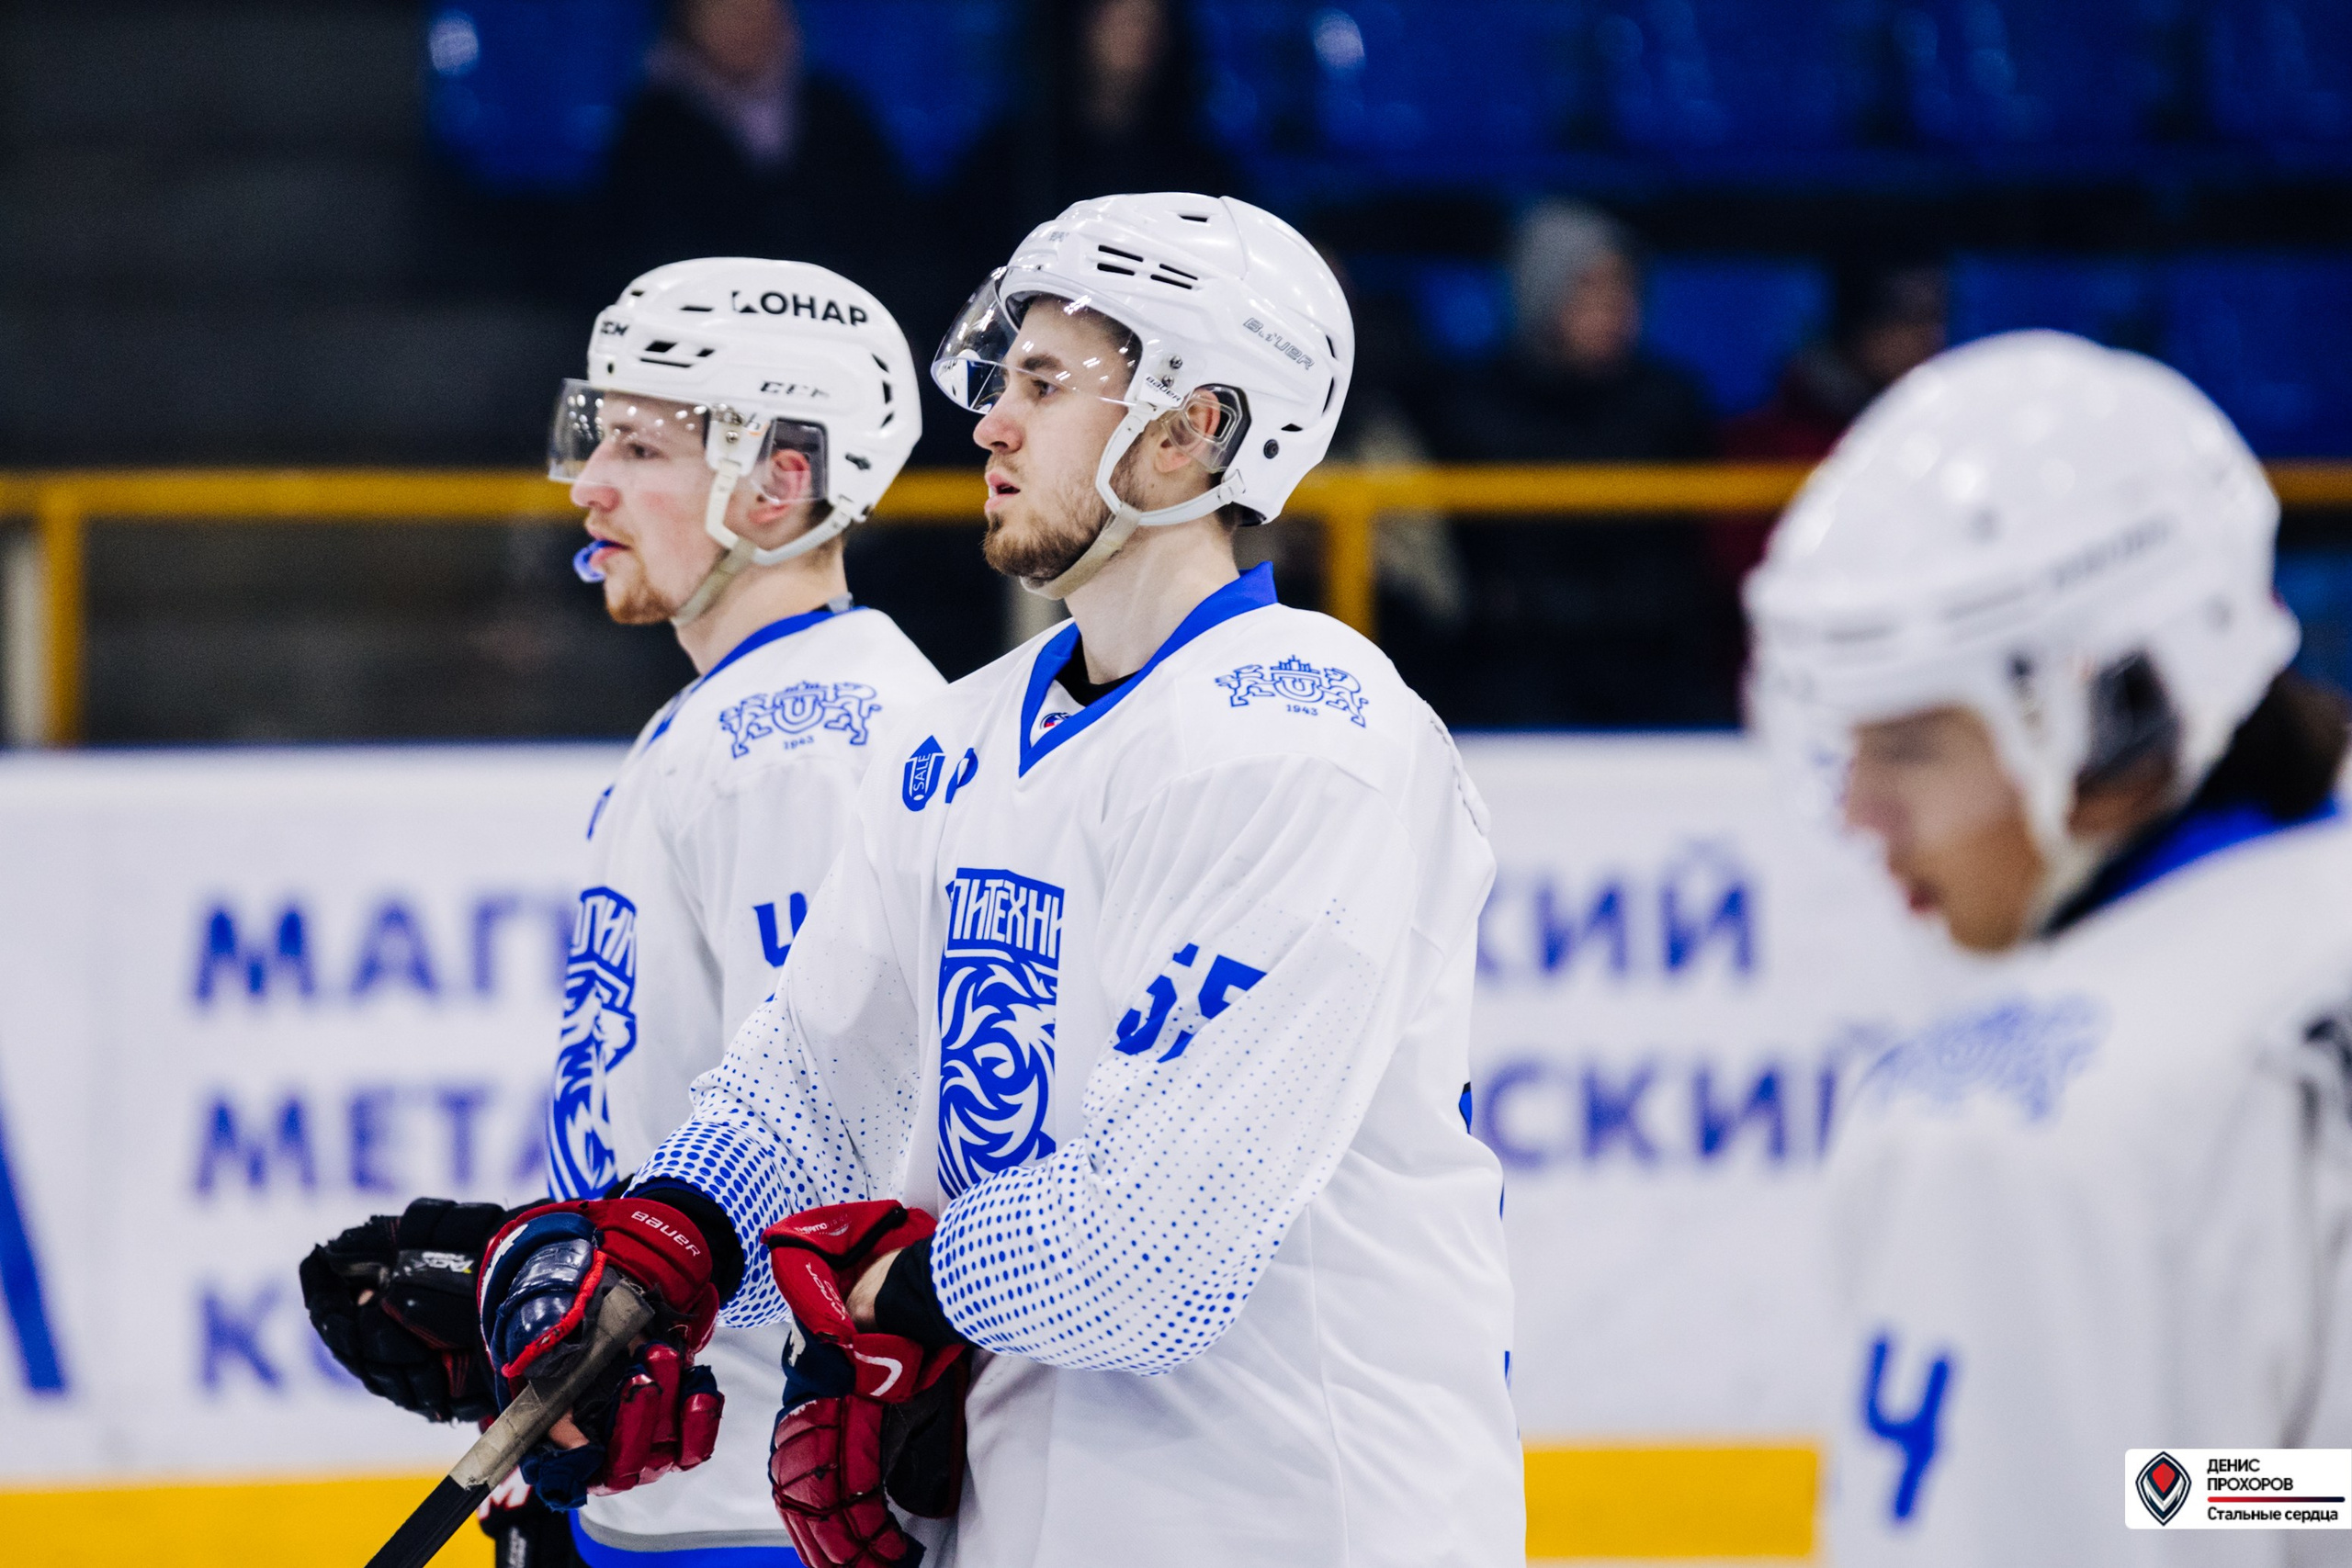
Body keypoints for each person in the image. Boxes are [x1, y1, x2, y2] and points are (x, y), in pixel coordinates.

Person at [467, 192, 1522, 1568]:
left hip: (1296, 1515)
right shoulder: (962, 734)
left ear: (1193, 427)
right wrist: (661, 1248)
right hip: (1035, 1515)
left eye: (1045, 382)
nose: (992, 420)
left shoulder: (1317, 743)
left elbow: (1149, 1252)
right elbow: (815, 1073)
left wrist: (898, 1288)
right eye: (1002, 374)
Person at [300, 257, 945, 1568]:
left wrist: (600, 1309)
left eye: (640, 444)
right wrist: (538, 1283)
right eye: (593, 434)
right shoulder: (725, 718)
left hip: (756, 1503)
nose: (585, 482)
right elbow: (704, 1122)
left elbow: (839, 1148)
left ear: (780, 478)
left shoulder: (814, 740)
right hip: (675, 1493)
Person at [1746, 329, 2352, 1565]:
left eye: (1910, 745)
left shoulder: (2001, 1119)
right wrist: (2203, 1487)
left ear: (2122, 708)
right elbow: (2287, 1481)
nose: (1860, 811)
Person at [1416, 199, 1725, 726]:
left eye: (1624, 287)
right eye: (1588, 286)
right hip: (1516, 666)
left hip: (1650, 665)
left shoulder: (1670, 403)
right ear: (1541, 290)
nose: (1614, 306)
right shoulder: (1467, 407)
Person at [599, 0, 910, 300]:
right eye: (727, 7)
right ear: (686, 16)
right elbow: (646, 266)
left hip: (845, 334)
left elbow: (895, 241)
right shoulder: (651, 134)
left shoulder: (837, 113)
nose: (748, 16)